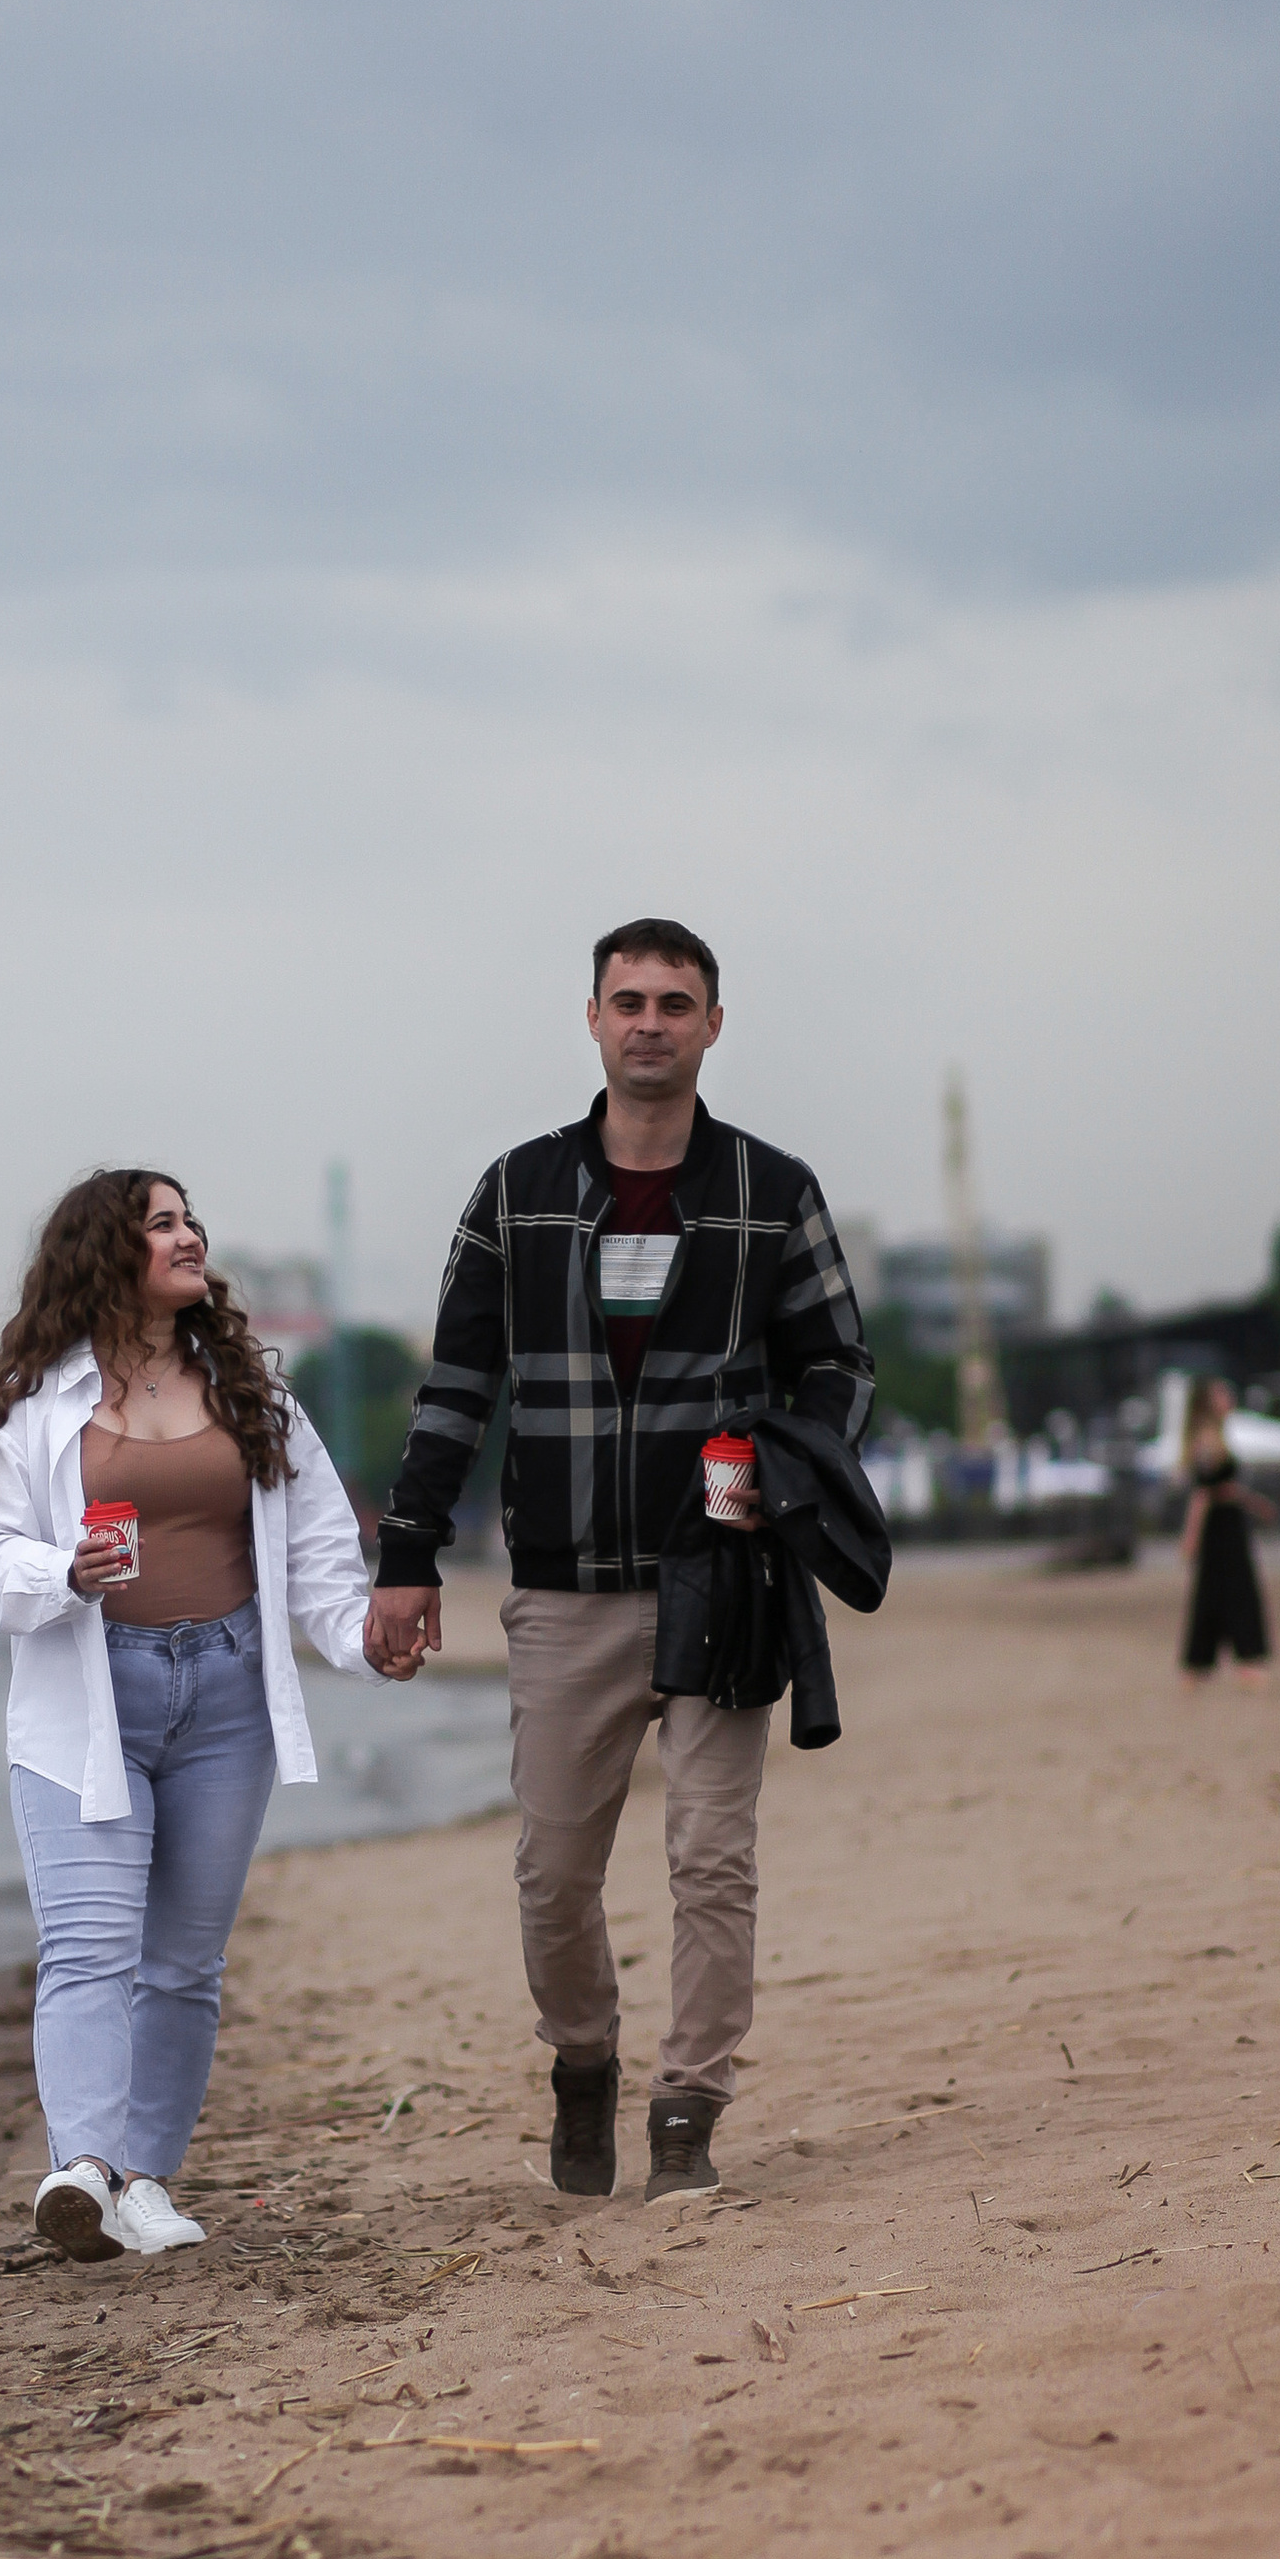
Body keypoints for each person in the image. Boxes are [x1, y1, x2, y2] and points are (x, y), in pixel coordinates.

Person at [363, 923, 874, 2204]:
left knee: (712, 1858)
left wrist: (783, 1464)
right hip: (559, 1584)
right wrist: (407, 1556)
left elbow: (841, 1367)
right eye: (628, 1001)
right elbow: (456, 1387)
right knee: (552, 1874)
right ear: (590, 1018)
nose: (651, 1022)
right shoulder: (517, 1191)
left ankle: (688, 2108)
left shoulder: (771, 1190)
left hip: (722, 1583)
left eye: (676, 1003)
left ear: (712, 1026)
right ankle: (581, 2062)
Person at [0, 1170, 373, 2261]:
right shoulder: (30, 1405)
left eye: (190, 1220)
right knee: (89, 1948)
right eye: (161, 1224)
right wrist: (67, 1570)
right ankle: (82, 2172)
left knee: (183, 1965)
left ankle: (142, 2179)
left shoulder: (250, 1393)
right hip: (87, 1704)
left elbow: (320, 1550)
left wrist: (365, 1641)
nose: (189, 1237)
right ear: (103, 1255)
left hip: (228, 1698)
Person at [1179, 1377, 1273, 1678]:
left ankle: (1208, 1663)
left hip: (1229, 1522)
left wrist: (1253, 1503)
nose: (1228, 1397)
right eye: (1221, 1393)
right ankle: (1236, 1661)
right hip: (1219, 1529)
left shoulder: (1218, 1437)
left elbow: (1225, 1488)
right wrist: (1191, 1536)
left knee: (1222, 1590)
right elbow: (1202, 1493)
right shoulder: (1206, 1441)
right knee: (1229, 1591)